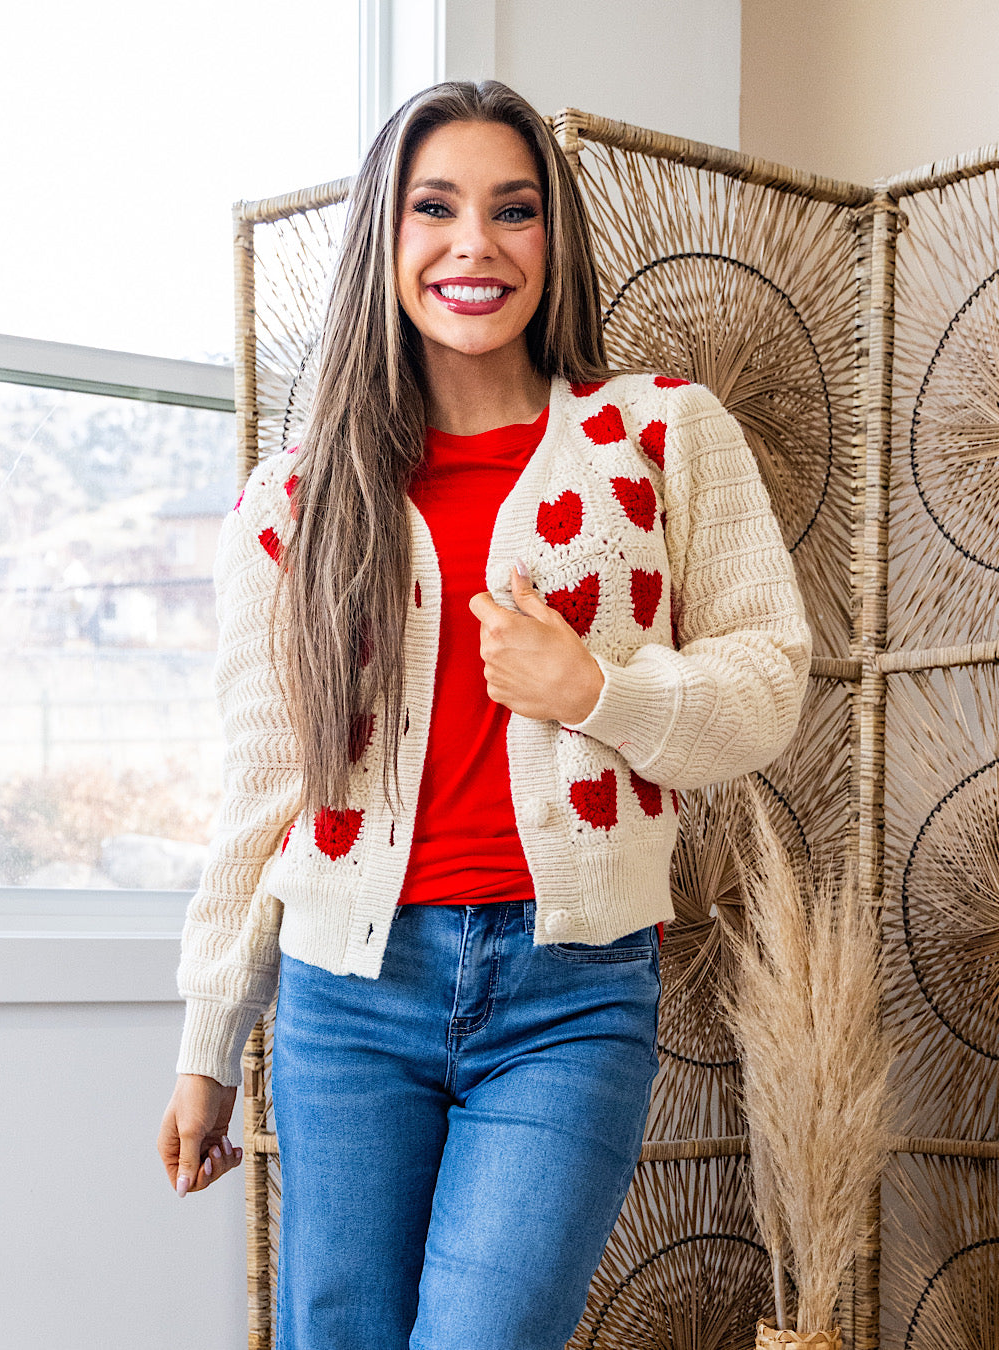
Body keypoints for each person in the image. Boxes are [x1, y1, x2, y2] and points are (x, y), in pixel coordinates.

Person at [157, 79, 812, 1350]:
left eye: (514, 210)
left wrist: (599, 691)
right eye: (435, 208)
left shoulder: (659, 438)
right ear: (385, 241)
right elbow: (263, 791)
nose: (476, 245)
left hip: (572, 995)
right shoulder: (294, 500)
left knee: (488, 1332)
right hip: (352, 991)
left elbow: (768, 687)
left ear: (553, 239)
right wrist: (205, 1040)